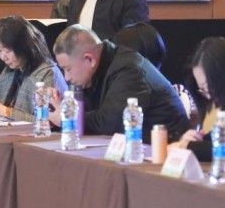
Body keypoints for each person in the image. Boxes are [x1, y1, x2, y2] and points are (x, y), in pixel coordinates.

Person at [48, 24, 189, 142]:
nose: (66, 77)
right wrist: (61, 107)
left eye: (68, 69)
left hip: (169, 149)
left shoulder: (129, 70)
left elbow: (111, 124)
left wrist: (67, 118)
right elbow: (91, 113)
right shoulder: (95, 71)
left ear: (89, 60)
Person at [0, 16, 68, 121]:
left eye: (8, 51)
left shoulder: (48, 73)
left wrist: (3, 110)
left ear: (24, 47)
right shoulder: (11, 70)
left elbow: (46, 121)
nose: (3, 57)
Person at [169, 37, 225, 160]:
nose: (208, 96)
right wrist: (190, 140)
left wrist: (190, 147)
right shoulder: (210, 105)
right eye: (202, 90)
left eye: (210, 88)